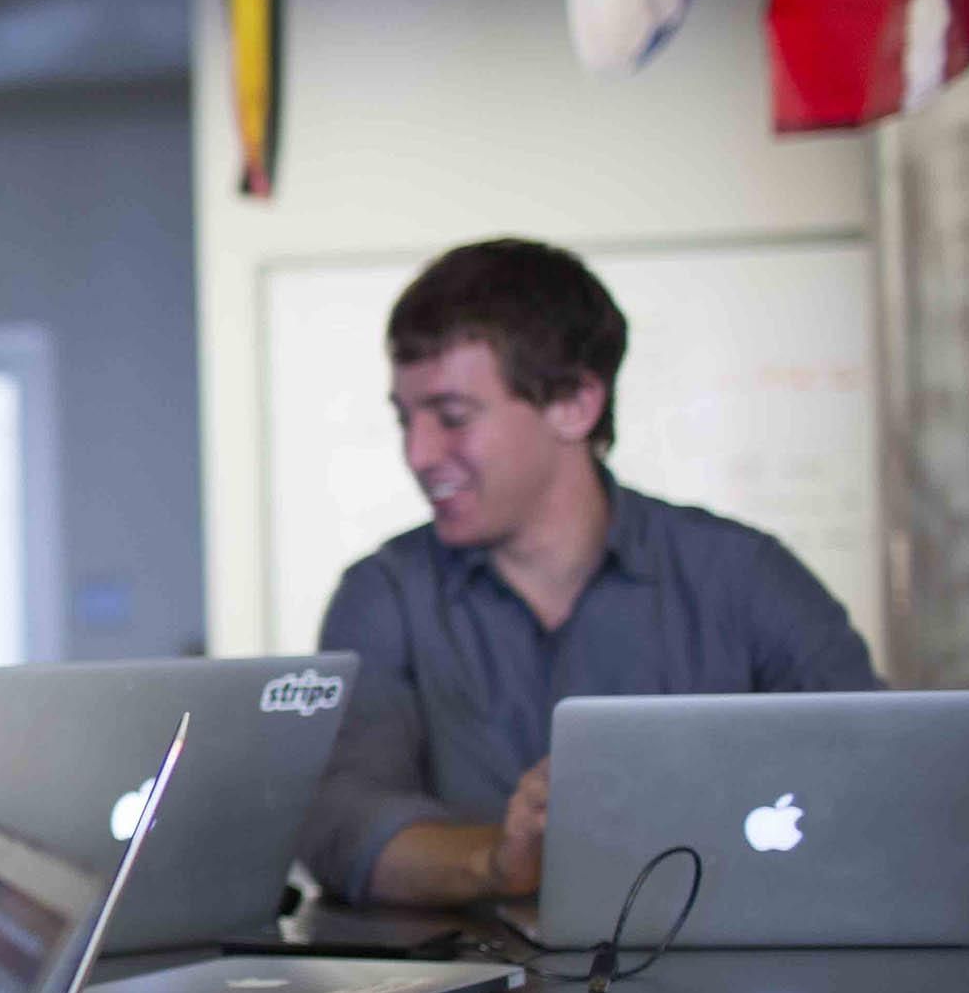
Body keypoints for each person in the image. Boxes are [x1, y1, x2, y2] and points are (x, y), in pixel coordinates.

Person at [298, 237, 880, 907]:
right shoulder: (386, 594)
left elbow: (877, 784)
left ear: (576, 403)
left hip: (714, 990)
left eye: (452, 417)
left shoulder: (744, 576)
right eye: (406, 419)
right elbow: (341, 824)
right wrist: (499, 861)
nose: (418, 452)